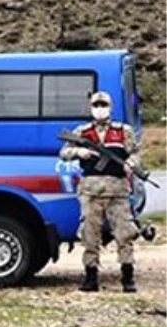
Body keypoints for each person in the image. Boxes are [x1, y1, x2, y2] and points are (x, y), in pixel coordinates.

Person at [59, 91, 141, 293]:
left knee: (125, 234)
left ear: (110, 108)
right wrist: (79, 152)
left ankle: (128, 277)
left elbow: (136, 153)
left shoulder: (123, 131)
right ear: (91, 108)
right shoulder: (82, 132)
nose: (100, 109)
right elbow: (63, 152)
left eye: (103, 105)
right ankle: (91, 277)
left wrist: (130, 164)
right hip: (91, 191)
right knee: (90, 235)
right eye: (96, 105)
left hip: (117, 190)